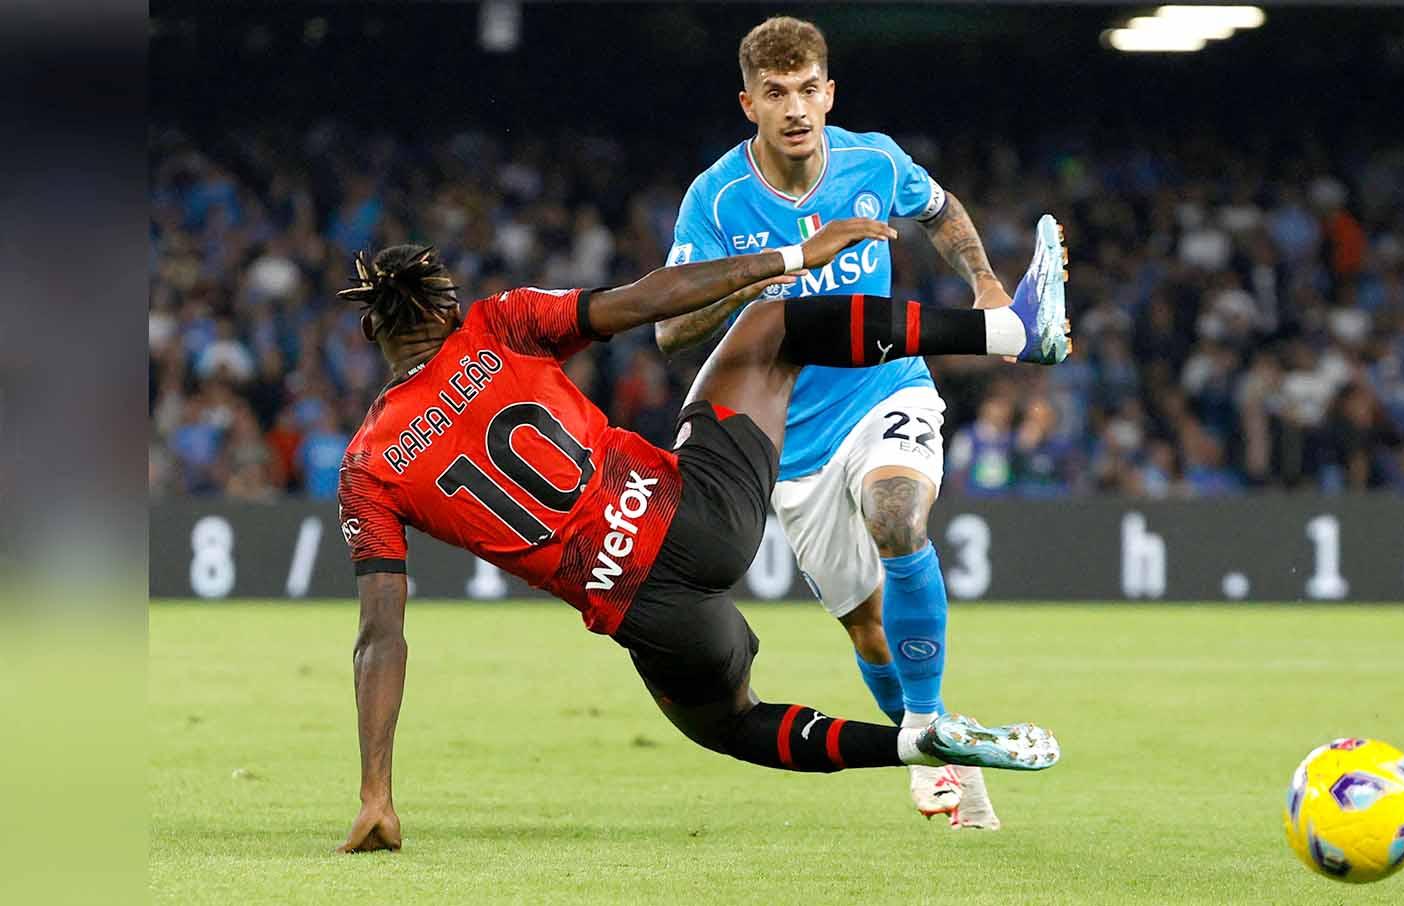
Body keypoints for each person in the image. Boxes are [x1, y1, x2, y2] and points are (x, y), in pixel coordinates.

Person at [333, 212, 1072, 852]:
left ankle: (914, 745)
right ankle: (1009, 329)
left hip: (653, 617)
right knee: (771, 326)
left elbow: (381, 637)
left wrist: (376, 794)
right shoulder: (496, 326)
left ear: (373, 331)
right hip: (700, 511)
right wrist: (790, 260)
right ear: (448, 307)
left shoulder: (367, 466)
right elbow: (646, 300)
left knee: (733, 723)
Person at [656, 15, 1027, 828]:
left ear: (830, 94)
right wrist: (773, 269)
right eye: (776, 93)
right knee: (865, 628)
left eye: (807, 90)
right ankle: (935, 751)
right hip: (791, 443)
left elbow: (941, 209)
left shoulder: (874, 159)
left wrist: (987, 284)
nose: (795, 108)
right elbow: (670, 329)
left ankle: (931, 728)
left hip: (886, 391)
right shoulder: (716, 198)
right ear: (748, 103)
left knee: (898, 516)